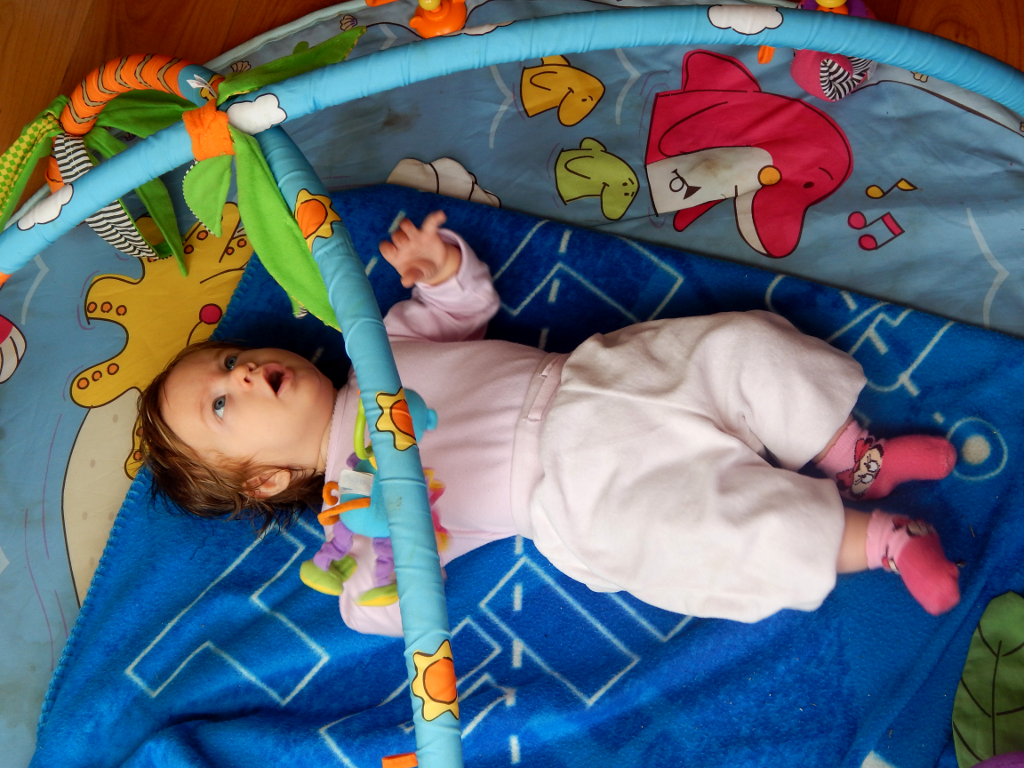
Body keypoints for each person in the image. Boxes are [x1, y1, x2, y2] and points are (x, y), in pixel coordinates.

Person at [138, 211, 961, 637]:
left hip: (595, 381)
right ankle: (884, 540)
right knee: (710, 537)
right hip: (579, 495)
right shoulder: (356, 509)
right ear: (267, 479)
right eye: (222, 405)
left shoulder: (383, 348)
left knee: (740, 347)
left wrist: (440, 270)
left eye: (228, 359)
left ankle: (854, 453)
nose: (239, 373)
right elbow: (385, 610)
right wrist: (378, 558)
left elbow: (464, 309)